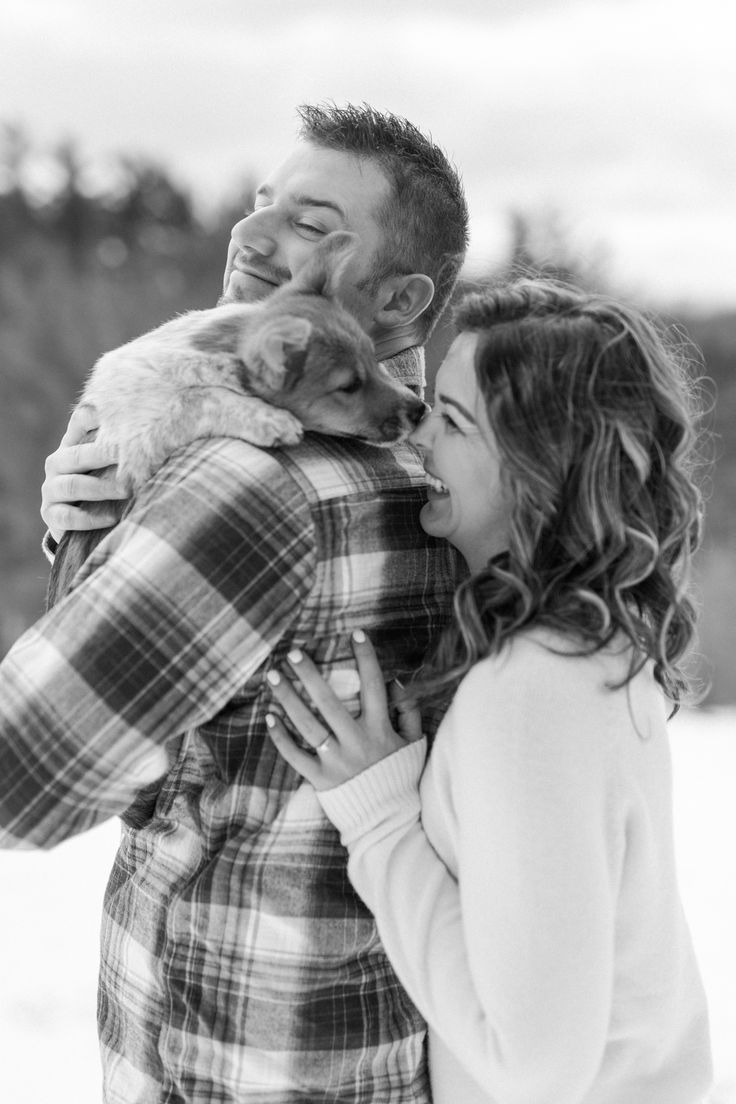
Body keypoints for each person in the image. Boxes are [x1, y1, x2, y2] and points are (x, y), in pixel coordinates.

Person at [0, 103, 469, 1101]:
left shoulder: (249, 486)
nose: (252, 238)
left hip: (226, 1064)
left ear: (399, 299)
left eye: (310, 226)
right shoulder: (448, 473)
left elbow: (23, 775)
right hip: (374, 1044)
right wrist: (111, 524)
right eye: (260, 206)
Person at [265, 279, 714, 1104]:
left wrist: (382, 818)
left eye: (454, 421)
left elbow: (534, 1066)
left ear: (539, 467)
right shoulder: (585, 648)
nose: (415, 432)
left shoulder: (535, 690)